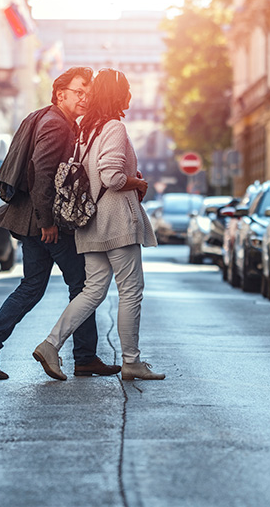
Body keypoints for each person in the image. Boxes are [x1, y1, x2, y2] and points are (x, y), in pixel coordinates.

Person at [0, 67, 120, 380]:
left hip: (32, 221)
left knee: (33, 286)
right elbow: (42, 175)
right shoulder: (56, 125)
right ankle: (85, 357)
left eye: (88, 94)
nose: (84, 99)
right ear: (60, 93)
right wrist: (47, 223)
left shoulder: (47, 118)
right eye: (79, 92)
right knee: (83, 286)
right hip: (46, 224)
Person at [32, 68, 164, 381]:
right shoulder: (114, 127)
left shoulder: (86, 129)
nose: (130, 96)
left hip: (89, 223)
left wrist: (129, 178)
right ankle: (131, 361)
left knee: (93, 290)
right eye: (127, 91)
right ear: (116, 95)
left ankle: (51, 344)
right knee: (131, 291)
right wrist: (137, 184)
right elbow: (111, 177)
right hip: (116, 222)